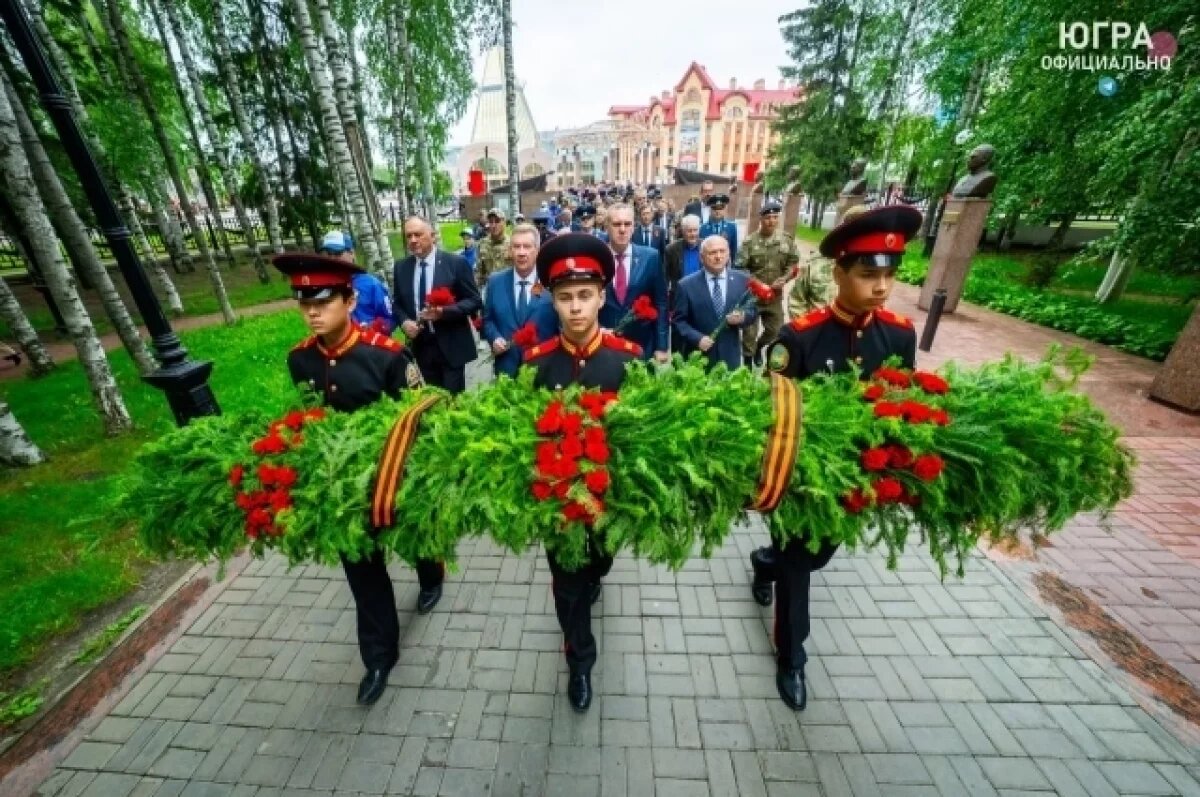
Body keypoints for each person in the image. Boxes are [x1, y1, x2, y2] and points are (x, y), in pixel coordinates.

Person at [748, 205, 922, 712]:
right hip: (800, 479)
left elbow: (901, 401)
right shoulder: (799, 338)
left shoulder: (899, 334)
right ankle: (792, 656)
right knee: (799, 564)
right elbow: (775, 414)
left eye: (889, 274)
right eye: (868, 274)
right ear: (838, 272)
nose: (882, 286)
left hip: (854, 480)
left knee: (817, 557)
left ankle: (763, 563)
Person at [275, 252, 444, 706]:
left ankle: (431, 574)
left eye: (323, 302)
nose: (312, 312)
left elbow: (418, 418)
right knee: (361, 570)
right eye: (304, 303)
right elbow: (310, 418)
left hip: (394, 476)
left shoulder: (385, 355)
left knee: (414, 536)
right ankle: (379, 657)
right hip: (345, 491)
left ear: (350, 302)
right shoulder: (300, 360)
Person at [522, 233, 642, 712]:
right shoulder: (536, 364)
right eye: (565, 297)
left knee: (601, 561)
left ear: (602, 297)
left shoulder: (627, 359)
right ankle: (580, 662)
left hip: (610, 498)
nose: (575, 308)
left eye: (585, 295)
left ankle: (597, 573)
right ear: (552, 300)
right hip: (559, 505)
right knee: (569, 585)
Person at [393, 216, 482, 393]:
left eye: (418, 234)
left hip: (451, 344)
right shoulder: (401, 267)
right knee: (433, 399)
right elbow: (397, 303)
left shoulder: (455, 263)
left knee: (452, 400)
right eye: (409, 236)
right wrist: (404, 322)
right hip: (422, 346)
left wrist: (444, 312)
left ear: (432, 236)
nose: (413, 240)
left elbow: (474, 300)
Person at [672, 235, 757, 371]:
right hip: (700, 360)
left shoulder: (742, 280)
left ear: (728, 254)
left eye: (722, 251)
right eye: (712, 252)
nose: (718, 256)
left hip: (730, 358)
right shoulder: (686, 285)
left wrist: (743, 317)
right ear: (701, 257)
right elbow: (678, 322)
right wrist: (697, 338)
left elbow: (752, 311)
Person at [482, 223, 556, 378]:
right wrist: (494, 337)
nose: (521, 252)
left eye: (527, 246)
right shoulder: (495, 282)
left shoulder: (551, 283)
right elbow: (487, 320)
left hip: (542, 370)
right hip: (506, 369)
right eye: (516, 246)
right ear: (510, 250)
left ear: (537, 250)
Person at [602, 203, 669, 362]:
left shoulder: (651, 257)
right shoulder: (597, 257)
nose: (622, 229)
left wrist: (661, 346)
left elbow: (661, 302)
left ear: (633, 226)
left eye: (627, 224)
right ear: (607, 227)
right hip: (605, 345)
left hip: (642, 344)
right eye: (617, 224)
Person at [736, 202, 799, 367]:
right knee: (749, 333)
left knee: (776, 331)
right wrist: (757, 284)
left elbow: (793, 263)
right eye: (768, 217)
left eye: (775, 217)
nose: (771, 221)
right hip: (753, 298)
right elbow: (740, 268)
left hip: (774, 298)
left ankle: (760, 347)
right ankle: (748, 363)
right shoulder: (749, 242)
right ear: (761, 219)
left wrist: (784, 278)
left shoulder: (786, 240)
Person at [318, 230, 396, 336]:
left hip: (369, 344)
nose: (332, 259)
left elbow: (391, 318)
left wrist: (373, 329)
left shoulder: (371, 284)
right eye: (328, 254)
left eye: (337, 254)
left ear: (351, 253)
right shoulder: (322, 285)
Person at [663, 214, 702, 301]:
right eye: (689, 231)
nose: (693, 234)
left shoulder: (706, 247)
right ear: (683, 232)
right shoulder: (671, 249)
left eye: (695, 230)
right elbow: (665, 275)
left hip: (701, 296)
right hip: (680, 297)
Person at [476, 208, 511, 289]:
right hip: (490, 289)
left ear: (504, 222)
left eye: (497, 221)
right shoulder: (482, 244)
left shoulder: (512, 244)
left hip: (508, 288)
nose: (494, 225)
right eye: (491, 222)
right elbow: (479, 272)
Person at [699, 194, 738, 264]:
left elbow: (734, 252)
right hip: (708, 265)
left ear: (724, 209)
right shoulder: (702, 228)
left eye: (720, 208)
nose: (717, 211)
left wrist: (733, 267)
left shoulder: (731, 227)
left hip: (725, 266)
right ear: (710, 209)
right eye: (714, 208)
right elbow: (700, 251)